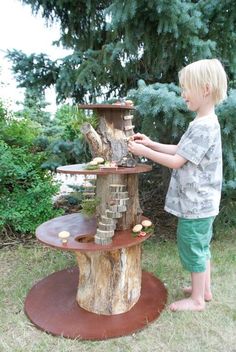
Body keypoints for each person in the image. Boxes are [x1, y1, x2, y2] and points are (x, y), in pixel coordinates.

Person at [128, 58, 228, 312]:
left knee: (192, 246)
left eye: (186, 88)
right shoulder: (203, 123)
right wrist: (150, 143)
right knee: (201, 246)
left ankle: (196, 301)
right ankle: (203, 290)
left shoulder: (204, 126)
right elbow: (181, 150)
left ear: (205, 89)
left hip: (196, 204)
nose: (183, 94)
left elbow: (175, 161)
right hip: (203, 203)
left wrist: (143, 152)